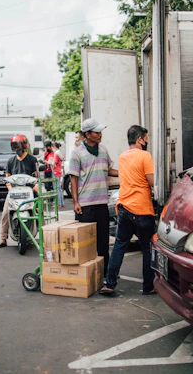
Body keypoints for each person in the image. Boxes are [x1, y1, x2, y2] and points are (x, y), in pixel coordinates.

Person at [100, 125, 156, 295]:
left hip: (124, 207)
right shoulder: (145, 156)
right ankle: (148, 286)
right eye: (145, 138)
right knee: (147, 248)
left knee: (119, 246)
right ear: (140, 139)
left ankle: (109, 284)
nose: (146, 142)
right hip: (142, 209)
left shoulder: (123, 157)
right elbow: (151, 182)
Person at [69, 118, 118, 275]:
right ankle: (87, 275)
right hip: (85, 205)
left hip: (102, 202)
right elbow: (73, 178)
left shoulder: (103, 150)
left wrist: (127, 173)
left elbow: (109, 170)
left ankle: (105, 274)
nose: (100, 135)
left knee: (103, 241)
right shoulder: (77, 153)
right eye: (97, 132)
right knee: (86, 243)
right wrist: (76, 202)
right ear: (88, 134)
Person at [0, 134, 38, 248]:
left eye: (18, 146)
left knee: (40, 211)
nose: (16, 149)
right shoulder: (10, 161)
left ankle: (45, 237)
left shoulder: (32, 160)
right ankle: (3, 239)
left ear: (24, 146)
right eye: (14, 147)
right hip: (14, 192)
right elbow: (7, 177)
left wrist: (37, 186)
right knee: (5, 213)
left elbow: (37, 176)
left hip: (29, 192)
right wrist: (10, 189)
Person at [52, 142, 64, 209]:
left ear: (54, 146)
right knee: (59, 188)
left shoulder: (56, 153)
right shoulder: (60, 153)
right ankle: (61, 203)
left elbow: (54, 163)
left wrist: (50, 162)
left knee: (57, 188)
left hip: (56, 172)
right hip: (59, 171)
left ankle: (59, 203)